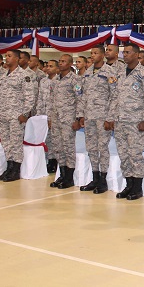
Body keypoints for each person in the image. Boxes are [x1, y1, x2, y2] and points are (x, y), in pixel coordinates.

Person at [111, 42, 144, 201]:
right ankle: (128, 185)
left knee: (135, 154)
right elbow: (115, 97)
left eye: (128, 52)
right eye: (124, 52)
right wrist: (112, 117)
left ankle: (137, 188)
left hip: (136, 121)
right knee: (123, 154)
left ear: (137, 55)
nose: (125, 55)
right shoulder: (120, 72)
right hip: (120, 120)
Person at [76, 46, 116, 194]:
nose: (92, 56)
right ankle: (95, 177)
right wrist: (81, 115)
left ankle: (103, 180)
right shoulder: (87, 72)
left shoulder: (110, 72)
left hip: (103, 116)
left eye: (95, 53)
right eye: (91, 53)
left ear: (103, 55)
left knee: (102, 148)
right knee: (91, 148)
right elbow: (81, 95)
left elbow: (114, 96)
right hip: (89, 116)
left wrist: (110, 117)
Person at [0, 49, 35, 182]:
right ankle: (9, 167)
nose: (6, 58)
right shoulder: (3, 75)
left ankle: (15, 170)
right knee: (6, 142)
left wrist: (24, 113)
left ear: (17, 59)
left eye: (9, 56)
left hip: (16, 115)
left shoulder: (24, 75)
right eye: (6, 56)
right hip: (4, 114)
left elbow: (30, 97)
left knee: (15, 143)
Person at [48, 55, 83, 189]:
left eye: (63, 61)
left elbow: (80, 99)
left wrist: (77, 118)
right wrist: (50, 118)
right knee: (58, 146)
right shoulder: (55, 80)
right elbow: (51, 100)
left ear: (70, 64)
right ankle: (62, 175)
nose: (61, 63)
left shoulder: (75, 80)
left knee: (68, 147)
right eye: (60, 61)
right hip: (56, 118)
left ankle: (69, 178)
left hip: (68, 118)